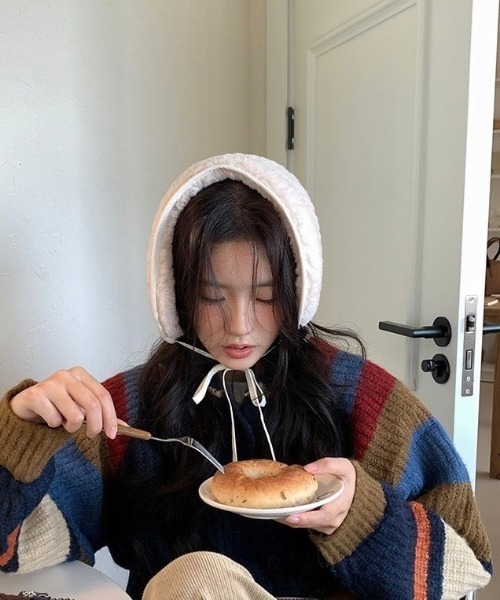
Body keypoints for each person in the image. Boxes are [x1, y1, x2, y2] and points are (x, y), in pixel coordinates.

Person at [0, 153, 492, 600]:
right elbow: (13, 550)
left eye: (265, 296)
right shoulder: (129, 412)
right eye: (212, 296)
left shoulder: (361, 398)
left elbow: (468, 565)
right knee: (194, 577)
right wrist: (20, 439)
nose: (239, 325)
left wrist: (361, 515)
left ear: (298, 290)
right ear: (176, 295)